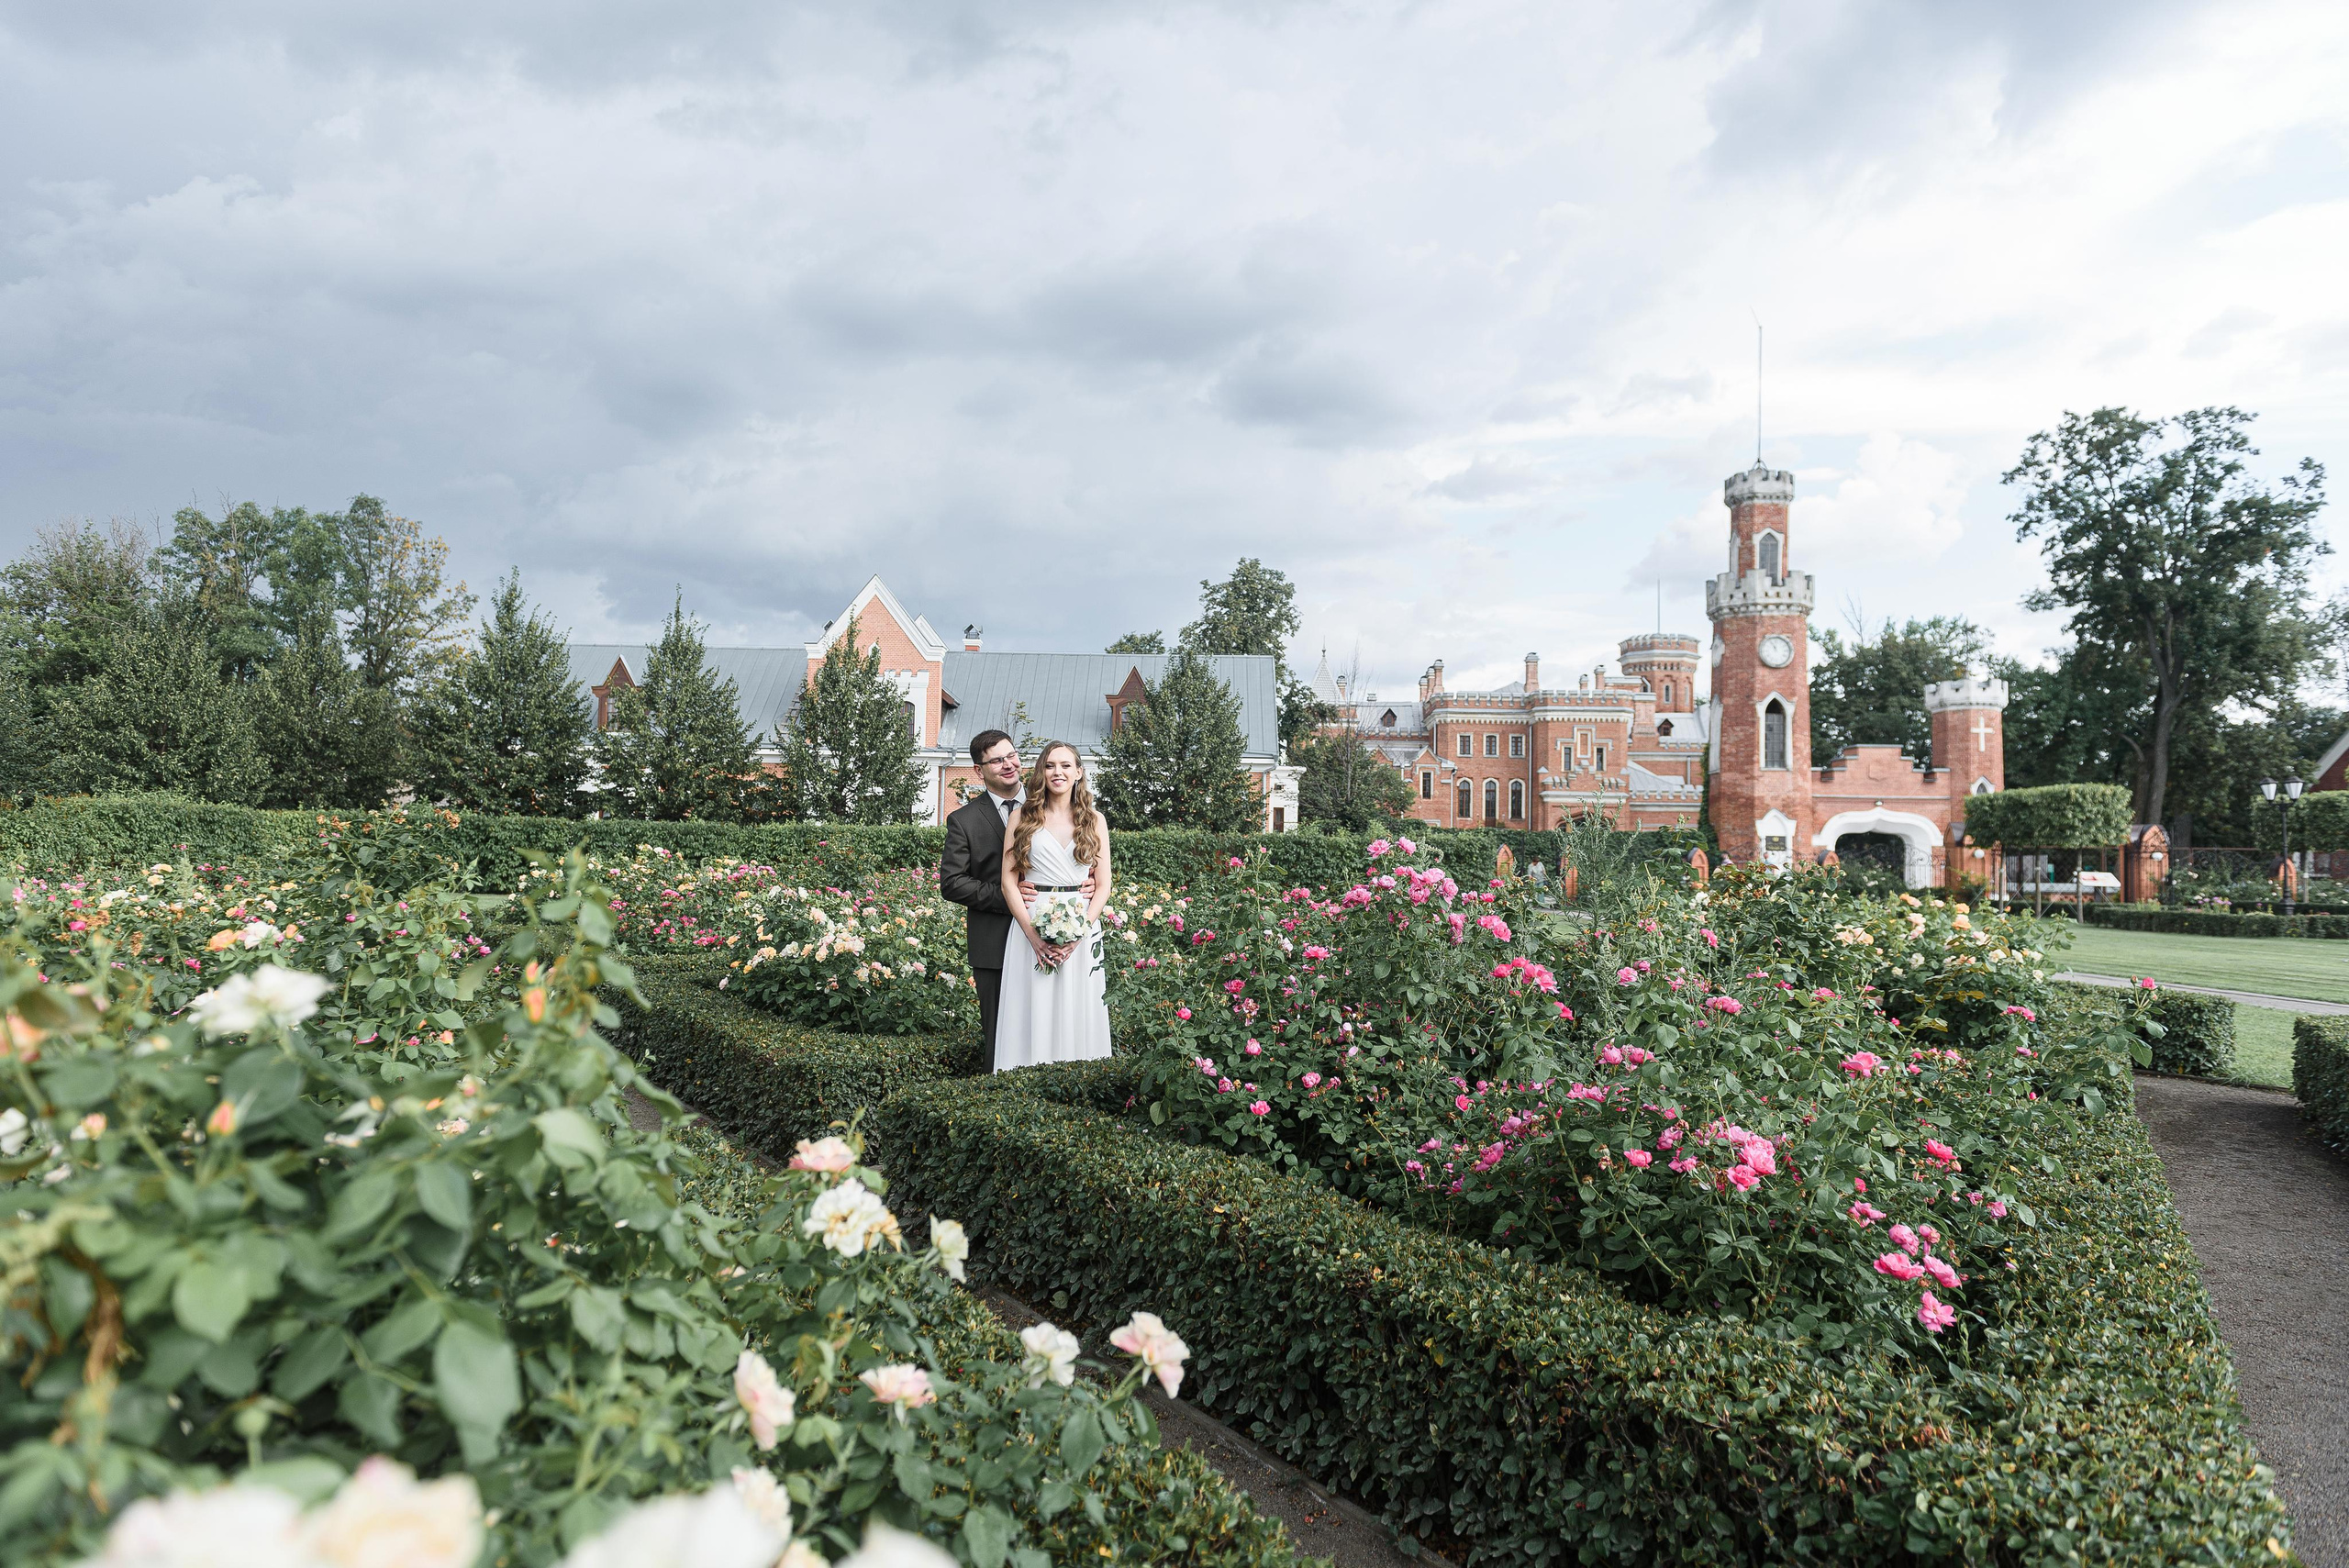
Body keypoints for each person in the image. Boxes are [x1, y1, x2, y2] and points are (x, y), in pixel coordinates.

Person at [939, 730, 1093, 1070]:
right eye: (996, 760)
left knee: (1069, 1023)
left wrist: (1085, 882)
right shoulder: (964, 820)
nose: (1008, 765)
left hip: (1065, 934)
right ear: (979, 771)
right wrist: (1010, 897)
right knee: (1003, 1039)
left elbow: (1088, 861)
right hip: (995, 941)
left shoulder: (1060, 803)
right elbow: (951, 883)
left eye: (1011, 755)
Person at [994, 740, 1114, 1070]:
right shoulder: (1022, 816)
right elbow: (1008, 881)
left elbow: (1103, 885)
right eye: (1049, 765)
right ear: (1041, 773)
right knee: (1030, 1004)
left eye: (1064, 765)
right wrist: (1032, 935)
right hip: (1029, 925)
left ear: (1078, 772)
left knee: (1079, 1006)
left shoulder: (1094, 820)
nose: (1057, 772)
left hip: (1082, 925)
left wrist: (1080, 934)